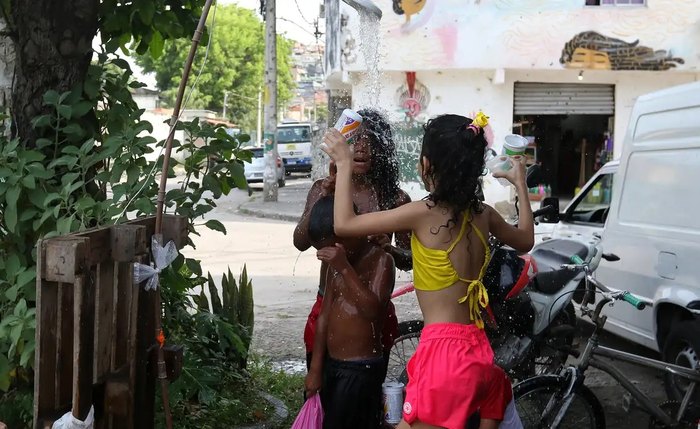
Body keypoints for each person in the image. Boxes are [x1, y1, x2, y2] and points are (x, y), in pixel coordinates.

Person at [322, 112, 534, 429]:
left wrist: (344, 164)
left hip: (443, 355)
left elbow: (344, 224)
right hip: (478, 349)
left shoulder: (422, 213)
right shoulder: (484, 214)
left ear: (426, 165)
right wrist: (520, 183)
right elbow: (526, 239)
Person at [293, 108, 411, 373]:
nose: (361, 148)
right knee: (320, 381)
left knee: (367, 385)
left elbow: (410, 260)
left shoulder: (395, 199)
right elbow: (300, 242)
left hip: (372, 307)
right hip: (328, 303)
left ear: (383, 148)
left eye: (370, 141)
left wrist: (388, 248)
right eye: (355, 139)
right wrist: (322, 198)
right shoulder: (323, 188)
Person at [303, 195, 395, 429]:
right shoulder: (334, 266)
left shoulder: (380, 260)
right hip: (333, 364)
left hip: (361, 368)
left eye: (332, 248)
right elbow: (324, 317)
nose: (330, 256)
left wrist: (344, 268)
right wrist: (316, 368)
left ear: (352, 230)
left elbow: (373, 311)